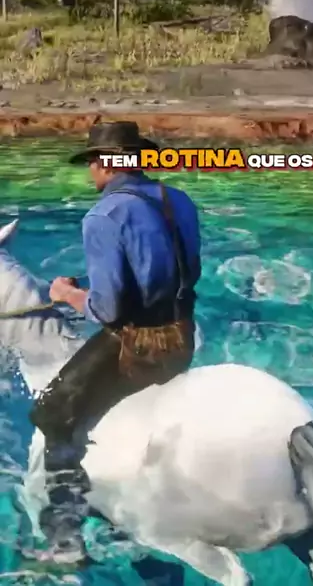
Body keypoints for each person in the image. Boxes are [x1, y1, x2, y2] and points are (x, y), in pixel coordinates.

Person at [28, 121, 202, 565]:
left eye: (92, 162)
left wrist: (66, 295)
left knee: (50, 411)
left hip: (138, 346)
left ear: (106, 164)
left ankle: (65, 539)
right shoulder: (177, 200)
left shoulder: (103, 216)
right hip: (183, 335)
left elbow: (107, 311)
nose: (91, 171)